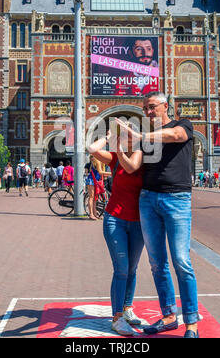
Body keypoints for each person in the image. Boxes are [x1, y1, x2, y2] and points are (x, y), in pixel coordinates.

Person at [115, 91, 200, 338]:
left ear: (165, 106)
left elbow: (176, 136)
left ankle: (191, 324)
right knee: (156, 264)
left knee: (182, 262)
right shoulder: (146, 138)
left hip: (177, 199)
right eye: (145, 108)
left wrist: (141, 135)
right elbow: (132, 167)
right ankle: (169, 316)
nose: (148, 112)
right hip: (148, 200)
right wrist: (120, 148)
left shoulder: (183, 125)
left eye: (152, 107)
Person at [88, 121, 144, 336]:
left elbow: (132, 166)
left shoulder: (143, 157)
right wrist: (109, 135)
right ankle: (117, 317)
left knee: (132, 268)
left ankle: (128, 308)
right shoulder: (114, 157)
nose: (126, 139)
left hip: (139, 222)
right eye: (123, 135)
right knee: (121, 268)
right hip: (115, 219)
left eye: (129, 135)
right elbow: (92, 150)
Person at [85, 155, 109, 220]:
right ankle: (91, 214)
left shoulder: (101, 163)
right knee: (92, 197)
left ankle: (95, 214)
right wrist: (111, 173)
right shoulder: (97, 162)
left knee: (95, 198)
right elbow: (101, 172)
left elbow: (101, 174)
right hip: (91, 180)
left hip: (95, 181)